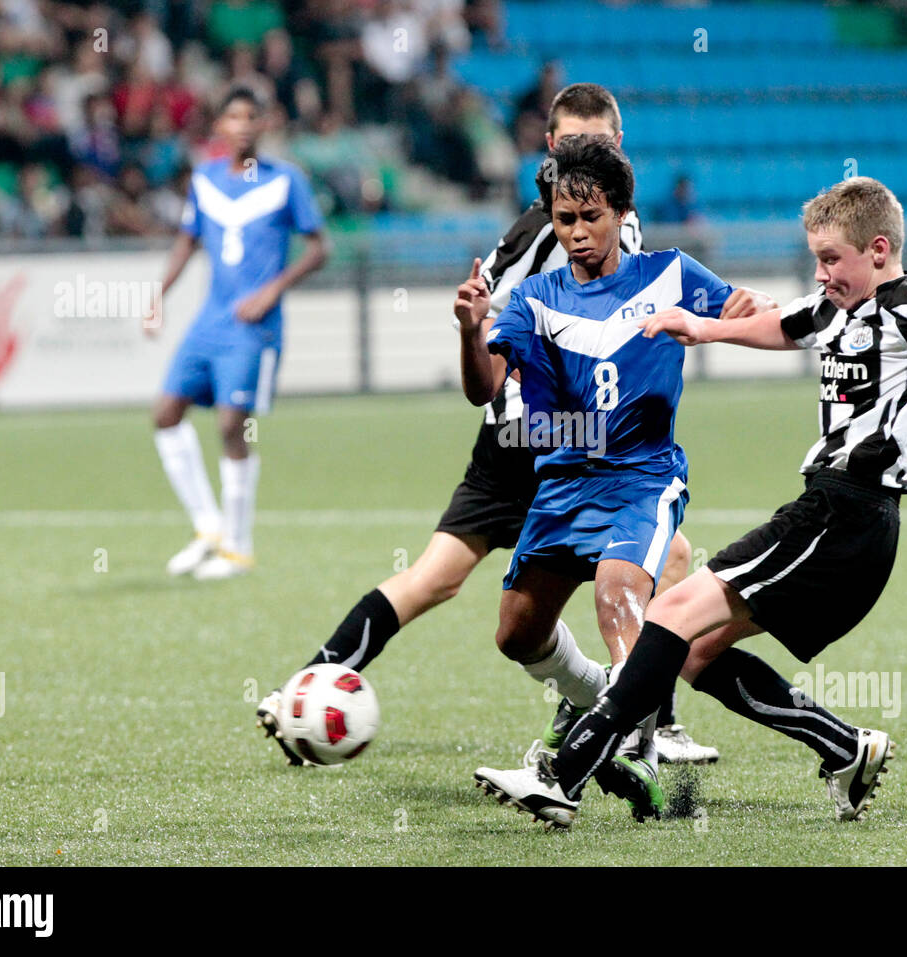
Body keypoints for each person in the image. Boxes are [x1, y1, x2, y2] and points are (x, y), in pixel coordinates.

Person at [474, 176, 907, 829]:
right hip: (846, 523)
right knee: (696, 651)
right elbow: (784, 324)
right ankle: (844, 747)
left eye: (831, 259)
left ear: (878, 249)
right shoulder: (838, 306)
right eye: (815, 258)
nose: (820, 272)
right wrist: (698, 327)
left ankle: (565, 774)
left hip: (846, 509)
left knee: (669, 610)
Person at [255, 83, 721, 767]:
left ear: (618, 148)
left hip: (538, 433)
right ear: (550, 148)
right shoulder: (546, 229)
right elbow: (500, 320)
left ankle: (303, 686)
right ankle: (650, 727)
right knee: (669, 558)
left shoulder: (612, 221)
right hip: (540, 436)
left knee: (437, 577)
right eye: (569, 144)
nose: (583, 153)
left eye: (597, 142)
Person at [461, 135, 771, 819]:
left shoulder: (669, 272)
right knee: (516, 632)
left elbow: (744, 311)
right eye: (564, 220)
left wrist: (754, 310)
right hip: (563, 480)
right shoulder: (534, 297)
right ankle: (599, 695)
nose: (577, 233)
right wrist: (467, 329)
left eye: (590, 217)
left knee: (617, 596)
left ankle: (638, 750)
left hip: (642, 475)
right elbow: (483, 388)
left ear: (621, 214)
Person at [146, 86, 327, 580]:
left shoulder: (286, 181)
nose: (243, 125)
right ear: (220, 127)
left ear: (265, 125)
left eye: (252, 117)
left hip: (255, 327)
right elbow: (186, 241)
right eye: (233, 117)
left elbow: (318, 248)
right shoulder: (204, 180)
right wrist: (158, 293)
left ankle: (238, 548)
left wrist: (273, 291)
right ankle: (209, 526)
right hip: (211, 320)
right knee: (165, 414)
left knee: (232, 425)